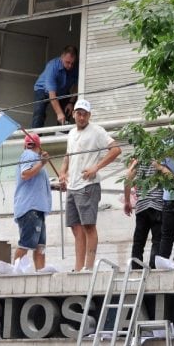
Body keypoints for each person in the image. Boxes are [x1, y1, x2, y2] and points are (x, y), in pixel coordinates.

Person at [59, 99, 121, 271]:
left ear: (89, 115)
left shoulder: (97, 131)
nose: (81, 116)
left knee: (88, 226)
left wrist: (96, 167)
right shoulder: (71, 133)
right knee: (75, 227)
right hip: (72, 185)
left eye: (85, 113)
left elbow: (116, 149)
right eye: (79, 113)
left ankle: (89, 267)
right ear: (73, 114)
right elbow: (68, 155)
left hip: (88, 185)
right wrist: (63, 173)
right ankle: (78, 267)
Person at [13, 133, 53, 270]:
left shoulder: (37, 161)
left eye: (31, 144)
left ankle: (40, 275)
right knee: (26, 244)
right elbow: (25, 174)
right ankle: (15, 274)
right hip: (31, 208)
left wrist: (56, 186)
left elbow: (37, 182)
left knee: (40, 247)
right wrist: (42, 162)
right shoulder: (29, 155)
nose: (29, 146)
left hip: (37, 209)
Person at [123, 159, 164, 269]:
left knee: (139, 240)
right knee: (157, 239)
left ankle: (136, 267)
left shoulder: (139, 161)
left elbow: (127, 179)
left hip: (142, 206)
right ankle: (154, 266)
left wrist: (127, 201)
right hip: (158, 205)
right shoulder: (162, 159)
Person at [31, 45, 79, 128]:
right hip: (43, 90)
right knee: (39, 112)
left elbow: (77, 85)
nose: (70, 66)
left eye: (72, 63)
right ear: (61, 57)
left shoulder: (76, 68)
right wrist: (59, 113)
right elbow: (52, 95)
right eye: (67, 62)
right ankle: (35, 138)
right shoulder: (52, 67)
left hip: (62, 91)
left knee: (67, 111)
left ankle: (61, 134)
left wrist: (71, 102)